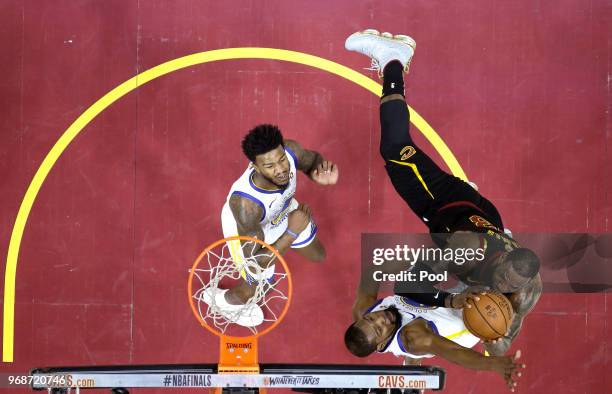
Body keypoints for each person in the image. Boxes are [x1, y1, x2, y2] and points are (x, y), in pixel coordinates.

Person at [345, 29, 542, 355]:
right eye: (504, 280)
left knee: (464, 260)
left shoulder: (525, 291)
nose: (504, 288)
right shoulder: (463, 250)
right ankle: (394, 59)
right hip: (448, 206)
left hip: (484, 222)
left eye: (510, 286)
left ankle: (478, 211)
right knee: (395, 148)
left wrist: (499, 347)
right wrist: (450, 299)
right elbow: (408, 284)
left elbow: (502, 340)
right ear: (502, 260)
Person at [205, 124, 339, 327]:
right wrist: (291, 232)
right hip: (249, 227)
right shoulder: (244, 204)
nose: (281, 169)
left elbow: (312, 160)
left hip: (284, 211)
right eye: (269, 166)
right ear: (255, 167)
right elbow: (256, 261)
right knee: (259, 285)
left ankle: (289, 237)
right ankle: (223, 301)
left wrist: (318, 174)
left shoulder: (292, 151)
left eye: (281, 159)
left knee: (318, 254)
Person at [345, 292, 525, 392]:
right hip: (476, 323)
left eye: (370, 319)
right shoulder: (412, 337)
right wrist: (494, 365)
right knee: (519, 298)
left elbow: (372, 268)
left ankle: (411, 367)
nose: (379, 319)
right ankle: (496, 348)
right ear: (381, 344)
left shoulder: (364, 308)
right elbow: (454, 352)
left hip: (453, 298)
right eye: (379, 329)